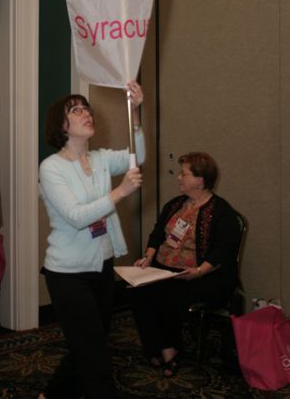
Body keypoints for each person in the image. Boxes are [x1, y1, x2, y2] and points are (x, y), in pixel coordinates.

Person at [38, 80, 145, 399]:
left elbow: (136, 155)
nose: (86, 112)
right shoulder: (51, 167)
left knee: (88, 342)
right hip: (67, 273)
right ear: (62, 125)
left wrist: (135, 113)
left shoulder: (99, 159)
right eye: (76, 109)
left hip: (101, 265)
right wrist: (121, 191)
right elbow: (76, 216)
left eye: (86, 107)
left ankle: (52, 394)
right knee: (94, 352)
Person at [130, 151, 241, 378]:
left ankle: (169, 351)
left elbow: (225, 250)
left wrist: (200, 271)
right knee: (137, 292)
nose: (179, 178)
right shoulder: (175, 205)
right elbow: (157, 234)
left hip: (203, 275)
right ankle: (157, 346)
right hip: (163, 269)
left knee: (167, 295)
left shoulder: (221, 212)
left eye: (184, 174)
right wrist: (148, 257)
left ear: (200, 180)